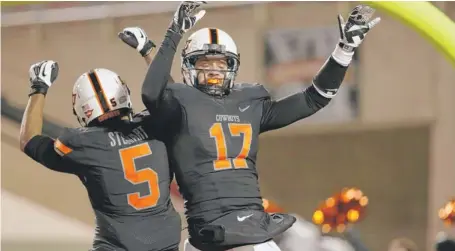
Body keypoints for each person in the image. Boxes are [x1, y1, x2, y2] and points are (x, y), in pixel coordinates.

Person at [120, 2, 380, 250]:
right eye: (205, 63)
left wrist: (344, 50)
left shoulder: (249, 102)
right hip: (208, 231)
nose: (214, 70)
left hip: (251, 227)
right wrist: (173, 31)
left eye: (221, 63)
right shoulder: (180, 104)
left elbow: (314, 98)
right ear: (190, 67)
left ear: (233, 66)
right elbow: (153, 93)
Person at [19, 61, 181, 251]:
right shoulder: (154, 125)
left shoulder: (84, 143)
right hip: (166, 244)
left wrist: (39, 87)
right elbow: (175, 99)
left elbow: (29, 140)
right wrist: (148, 51)